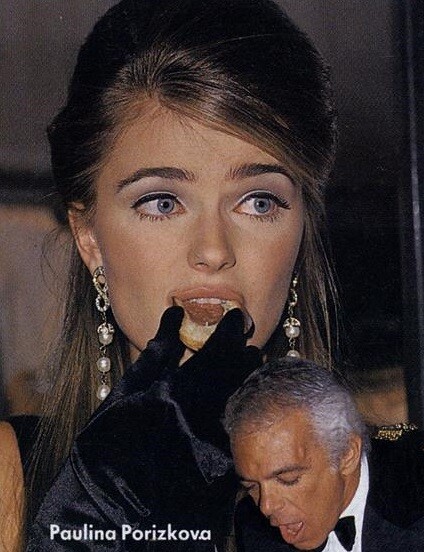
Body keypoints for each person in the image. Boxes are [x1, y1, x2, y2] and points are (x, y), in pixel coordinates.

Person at [0, 0, 338, 550]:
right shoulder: (9, 479)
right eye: (161, 202)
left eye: (258, 202)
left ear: (299, 232)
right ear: (89, 238)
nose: (213, 251)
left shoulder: (391, 496)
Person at [224, 357, 424, 551]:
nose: (266, 506)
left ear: (347, 454)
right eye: (251, 486)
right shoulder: (254, 529)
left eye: (288, 479)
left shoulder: (415, 514)